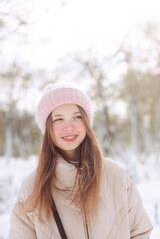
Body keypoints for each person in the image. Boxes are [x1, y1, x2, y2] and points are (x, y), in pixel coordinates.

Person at [8, 84, 153, 239]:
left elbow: (140, 231)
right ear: (48, 128)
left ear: (86, 122)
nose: (69, 127)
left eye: (77, 117)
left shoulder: (115, 175)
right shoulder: (32, 187)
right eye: (59, 119)